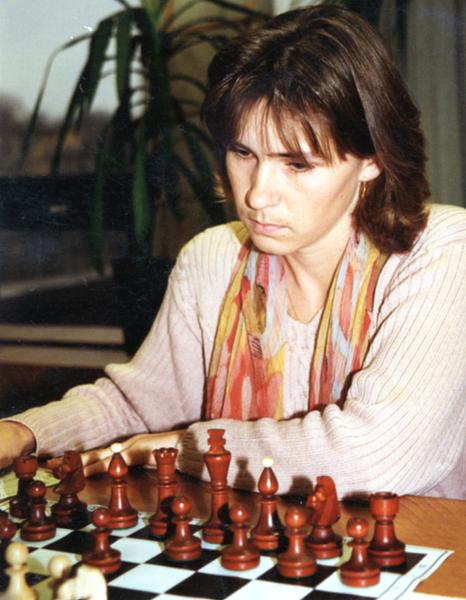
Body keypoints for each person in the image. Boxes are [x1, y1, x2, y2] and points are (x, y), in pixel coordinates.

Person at [1, 5, 465, 499]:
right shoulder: (213, 258)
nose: (258, 194)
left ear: (372, 159)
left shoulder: (442, 251)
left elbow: (376, 454)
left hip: (422, 542)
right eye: (243, 153)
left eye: (297, 164)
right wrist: (23, 432)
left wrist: (187, 447)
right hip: (264, 538)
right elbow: (140, 408)